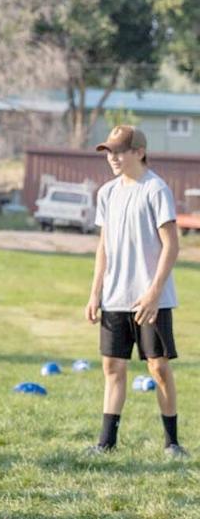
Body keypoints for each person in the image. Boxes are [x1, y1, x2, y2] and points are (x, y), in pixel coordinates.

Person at [85, 125, 186, 457]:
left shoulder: (156, 190)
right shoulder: (107, 193)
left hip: (149, 300)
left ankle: (172, 442)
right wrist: (95, 292)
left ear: (139, 152)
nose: (112, 157)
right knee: (113, 367)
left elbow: (171, 246)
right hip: (115, 297)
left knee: (157, 367)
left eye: (119, 151)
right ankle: (106, 443)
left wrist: (155, 292)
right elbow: (104, 246)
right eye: (109, 152)